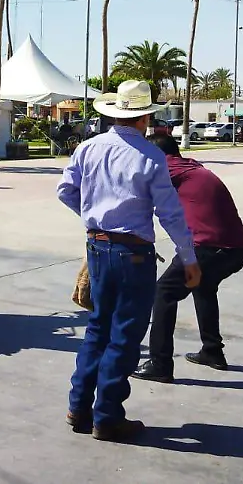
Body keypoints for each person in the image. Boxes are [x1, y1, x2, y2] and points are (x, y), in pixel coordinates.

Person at [57, 80, 201, 442]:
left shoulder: (88, 148)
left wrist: (93, 219)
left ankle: (79, 407)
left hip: (97, 248)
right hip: (133, 254)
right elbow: (169, 214)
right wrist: (189, 258)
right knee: (124, 336)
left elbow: (65, 191)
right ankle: (107, 417)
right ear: (146, 117)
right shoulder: (150, 156)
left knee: (97, 329)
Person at [134, 134, 243, 381]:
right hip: (234, 249)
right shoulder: (191, 168)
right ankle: (212, 351)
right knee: (203, 287)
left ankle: (160, 364)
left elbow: (136, 193)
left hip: (208, 247)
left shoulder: (169, 170)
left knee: (164, 292)